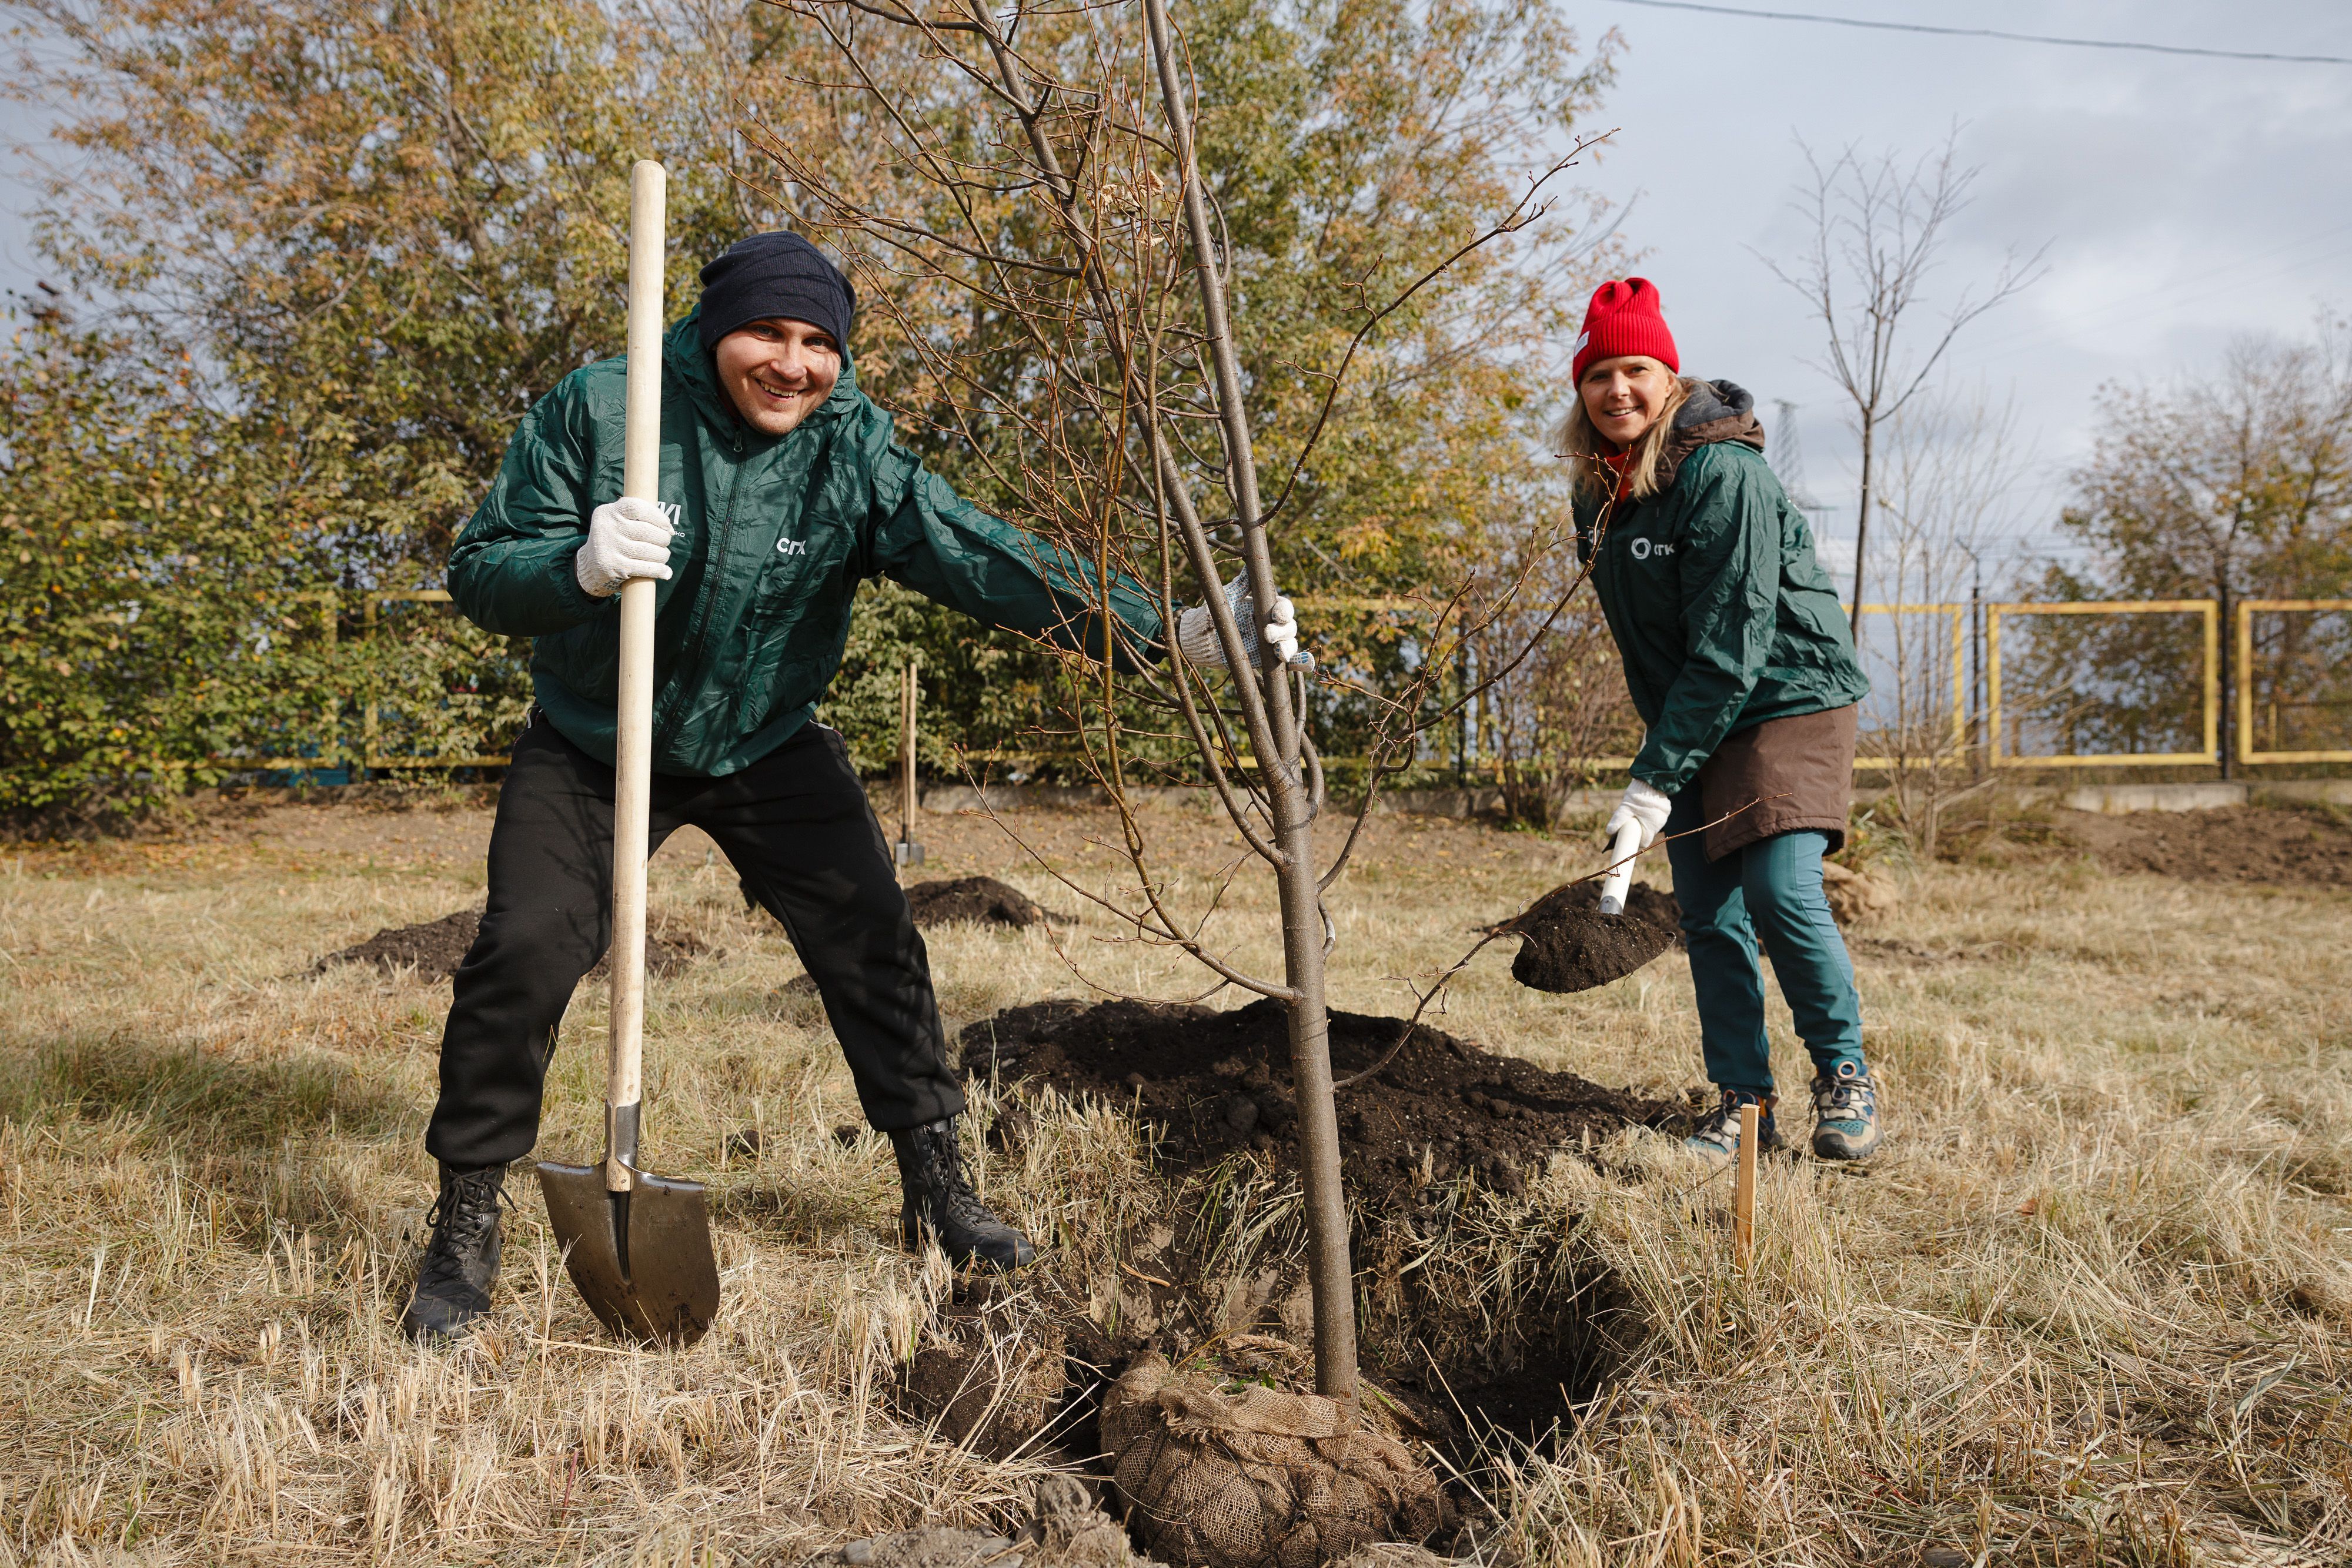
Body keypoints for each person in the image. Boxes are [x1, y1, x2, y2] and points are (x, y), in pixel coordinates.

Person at [402, 230, 1304, 1340]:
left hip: (765, 738)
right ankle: (465, 1223)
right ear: (709, 333)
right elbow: (480, 570)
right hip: (598, 737)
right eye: (766, 336)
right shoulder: (605, 410)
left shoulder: (848, 448)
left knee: (875, 940)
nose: (791, 365)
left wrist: (1164, 632)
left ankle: (938, 1193)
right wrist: (576, 566)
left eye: (817, 343)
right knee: (526, 951)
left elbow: (983, 557)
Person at [1563, 277, 1881, 1168]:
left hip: (1788, 696)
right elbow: (1646, 647)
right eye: (1599, 375)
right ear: (1581, 390)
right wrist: (1662, 764)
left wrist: (1656, 774)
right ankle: (1745, 1106)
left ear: (1669, 379)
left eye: (1635, 371)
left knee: (1780, 891)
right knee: (1708, 915)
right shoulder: (1597, 498)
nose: (1617, 391)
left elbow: (1735, 640)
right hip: (1697, 711)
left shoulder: (1721, 473)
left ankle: (1846, 1076)